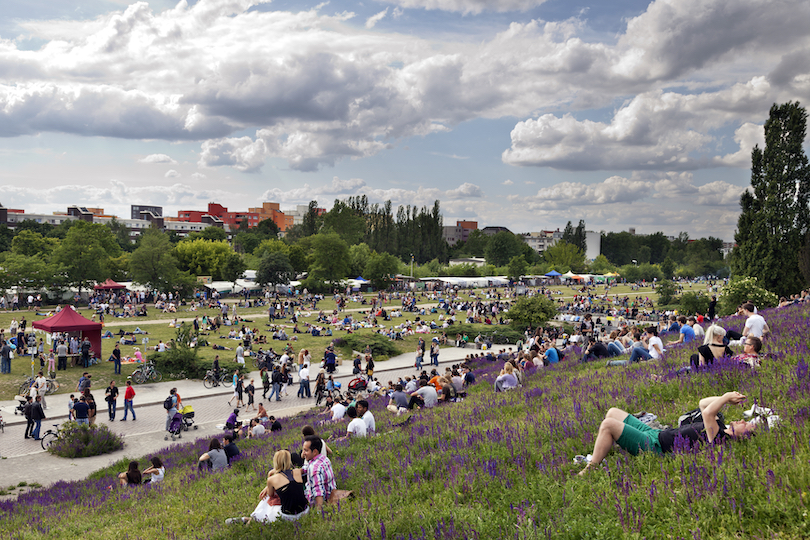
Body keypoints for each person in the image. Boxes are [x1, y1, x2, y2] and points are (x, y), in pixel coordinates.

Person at [578, 391, 756, 475]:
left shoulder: (719, 437)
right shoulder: (719, 425)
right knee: (612, 412)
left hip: (655, 447)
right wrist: (728, 400)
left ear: (743, 436)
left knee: (608, 424)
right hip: (655, 433)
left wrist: (725, 398)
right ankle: (605, 449)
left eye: (746, 424)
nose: (742, 420)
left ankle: (590, 468)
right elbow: (703, 404)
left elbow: (708, 412)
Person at [225, 450, 310, 525]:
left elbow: (271, 495)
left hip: (289, 516)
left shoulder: (271, 479)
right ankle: (250, 519)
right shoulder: (297, 472)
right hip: (304, 511)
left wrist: (270, 475)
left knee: (265, 500)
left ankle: (251, 519)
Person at [302, 435, 336, 508]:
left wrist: (318, 511)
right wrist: (298, 471)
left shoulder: (314, 468)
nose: (303, 453)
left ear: (314, 452)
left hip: (318, 500)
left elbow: (318, 492)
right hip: (331, 494)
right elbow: (308, 467)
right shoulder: (324, 458)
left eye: (306, 450)